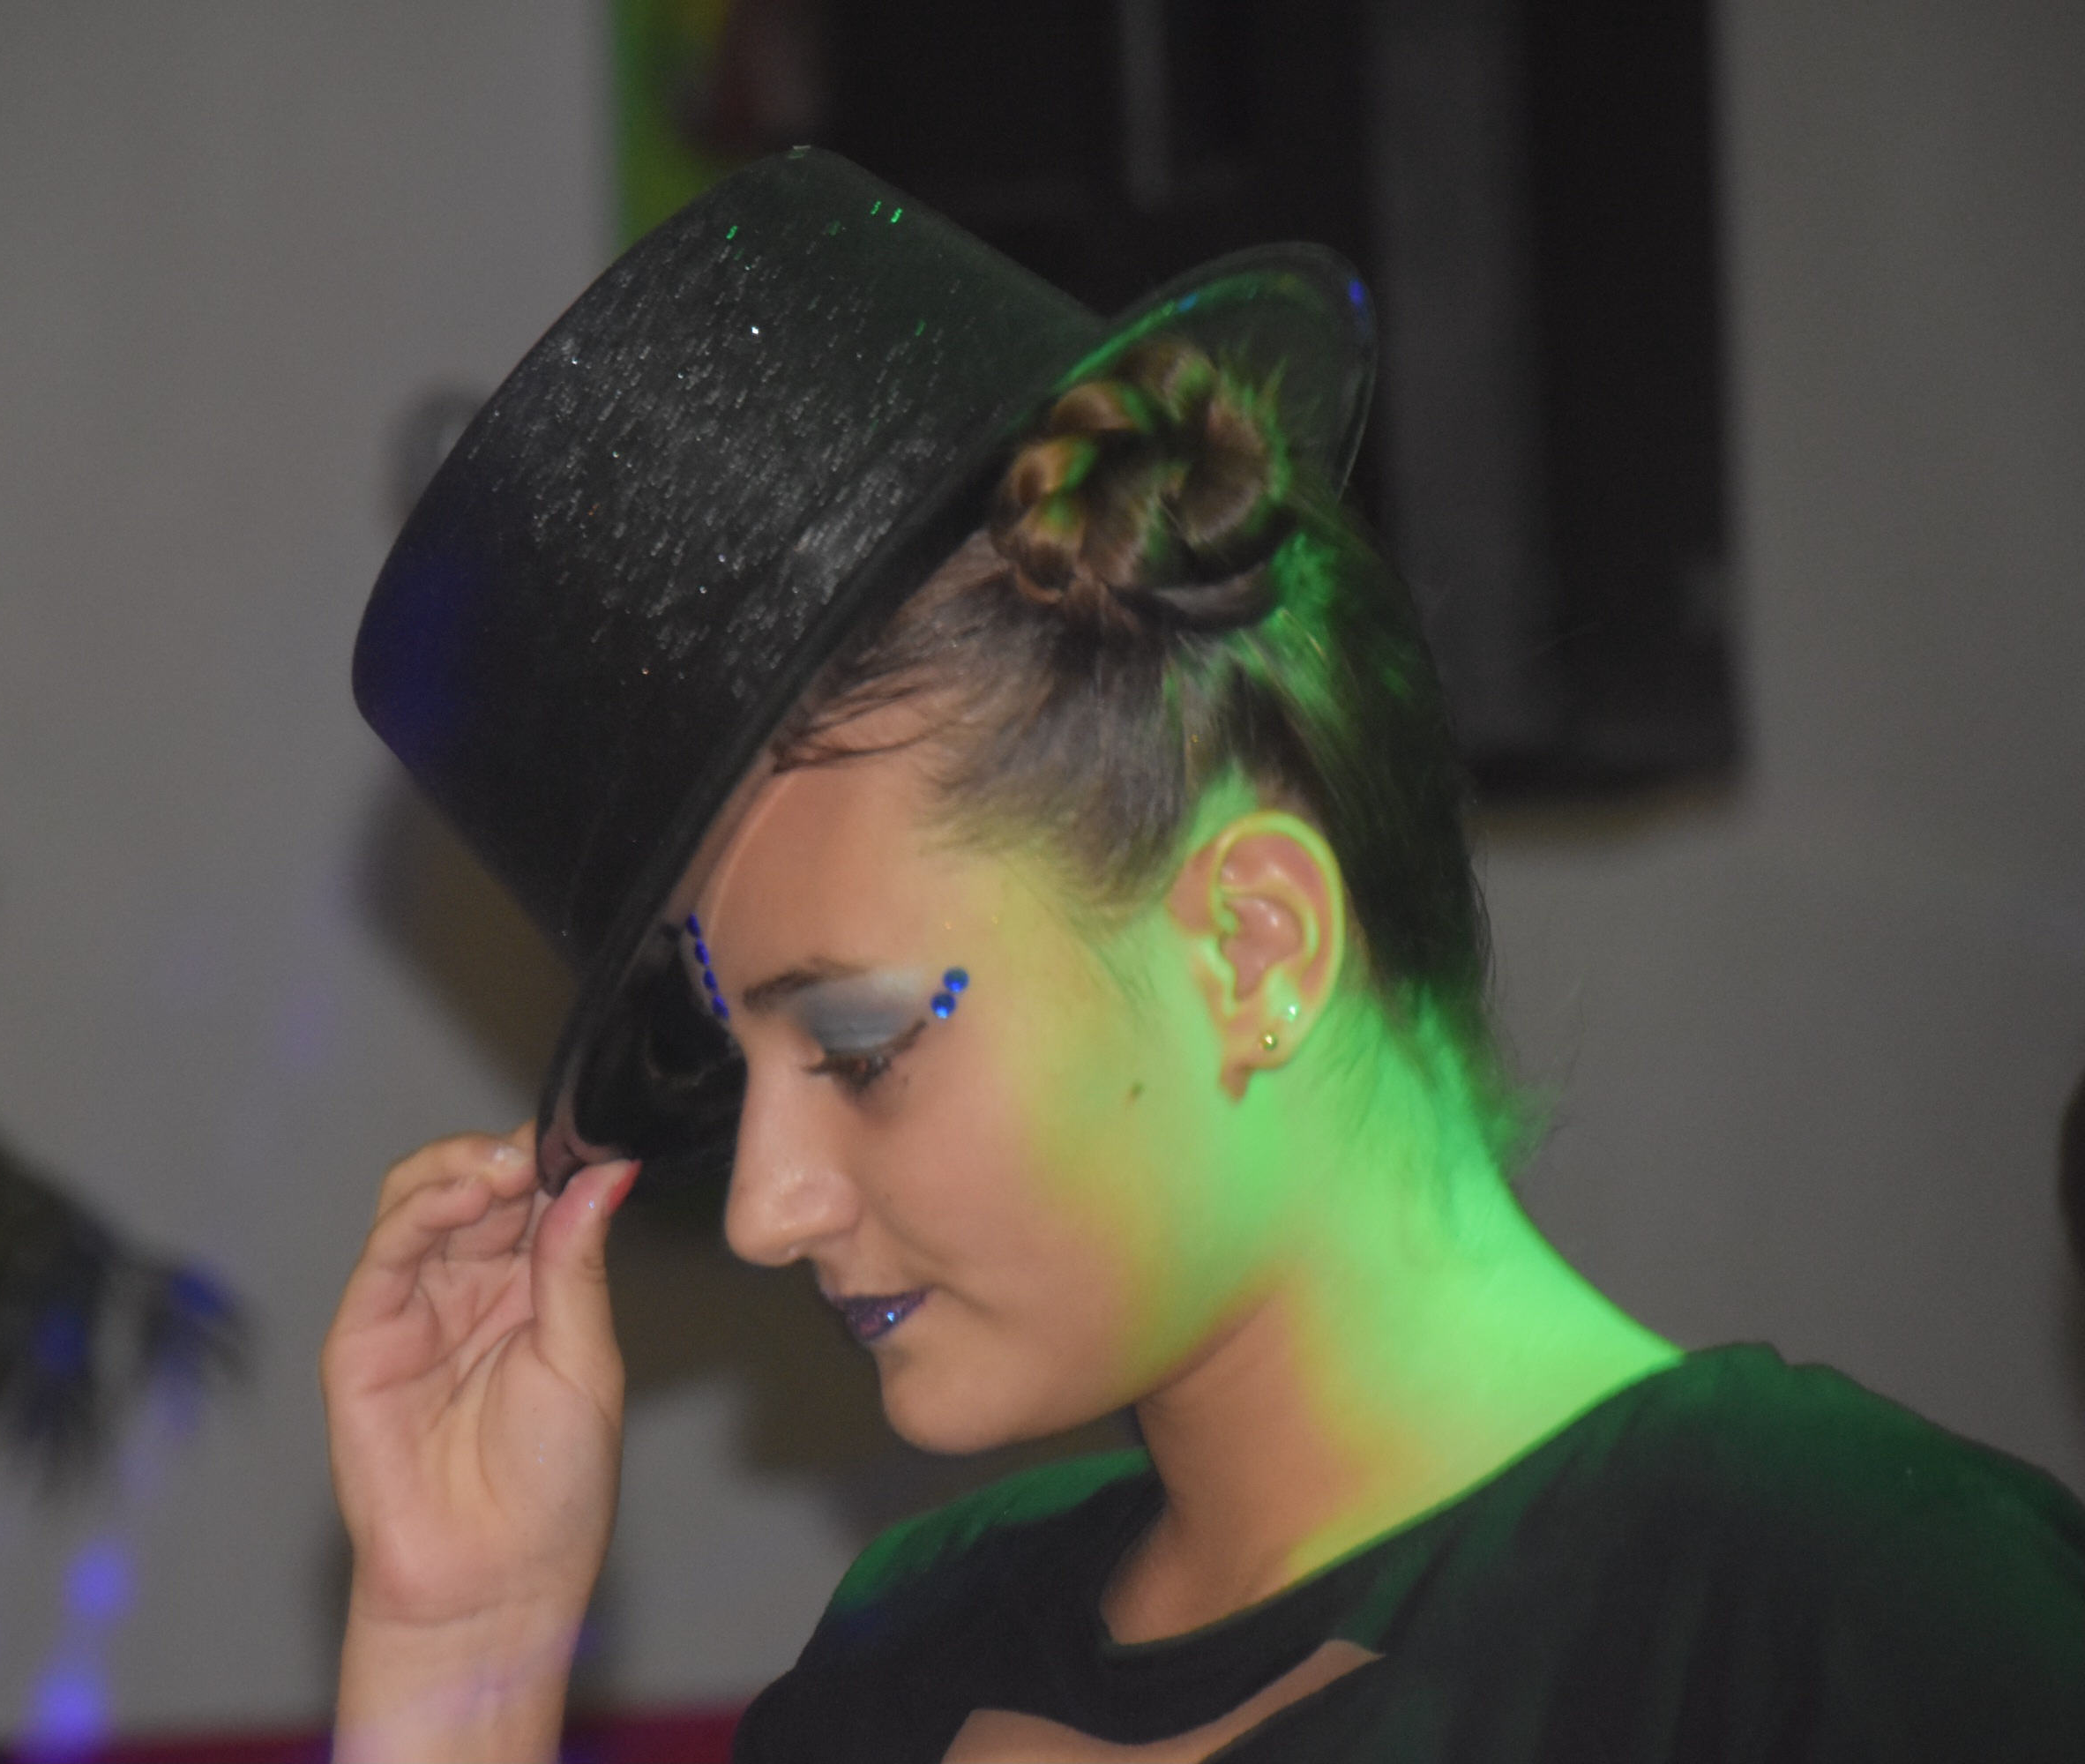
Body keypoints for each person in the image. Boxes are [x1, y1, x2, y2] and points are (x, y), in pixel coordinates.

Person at [323, 150, 2085, 1762]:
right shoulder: (899, 1666)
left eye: (858, 1045)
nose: (768, 1205)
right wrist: (460, 1646)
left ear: (1254, 944)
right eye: (743, 1066)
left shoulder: (1856, 1620)